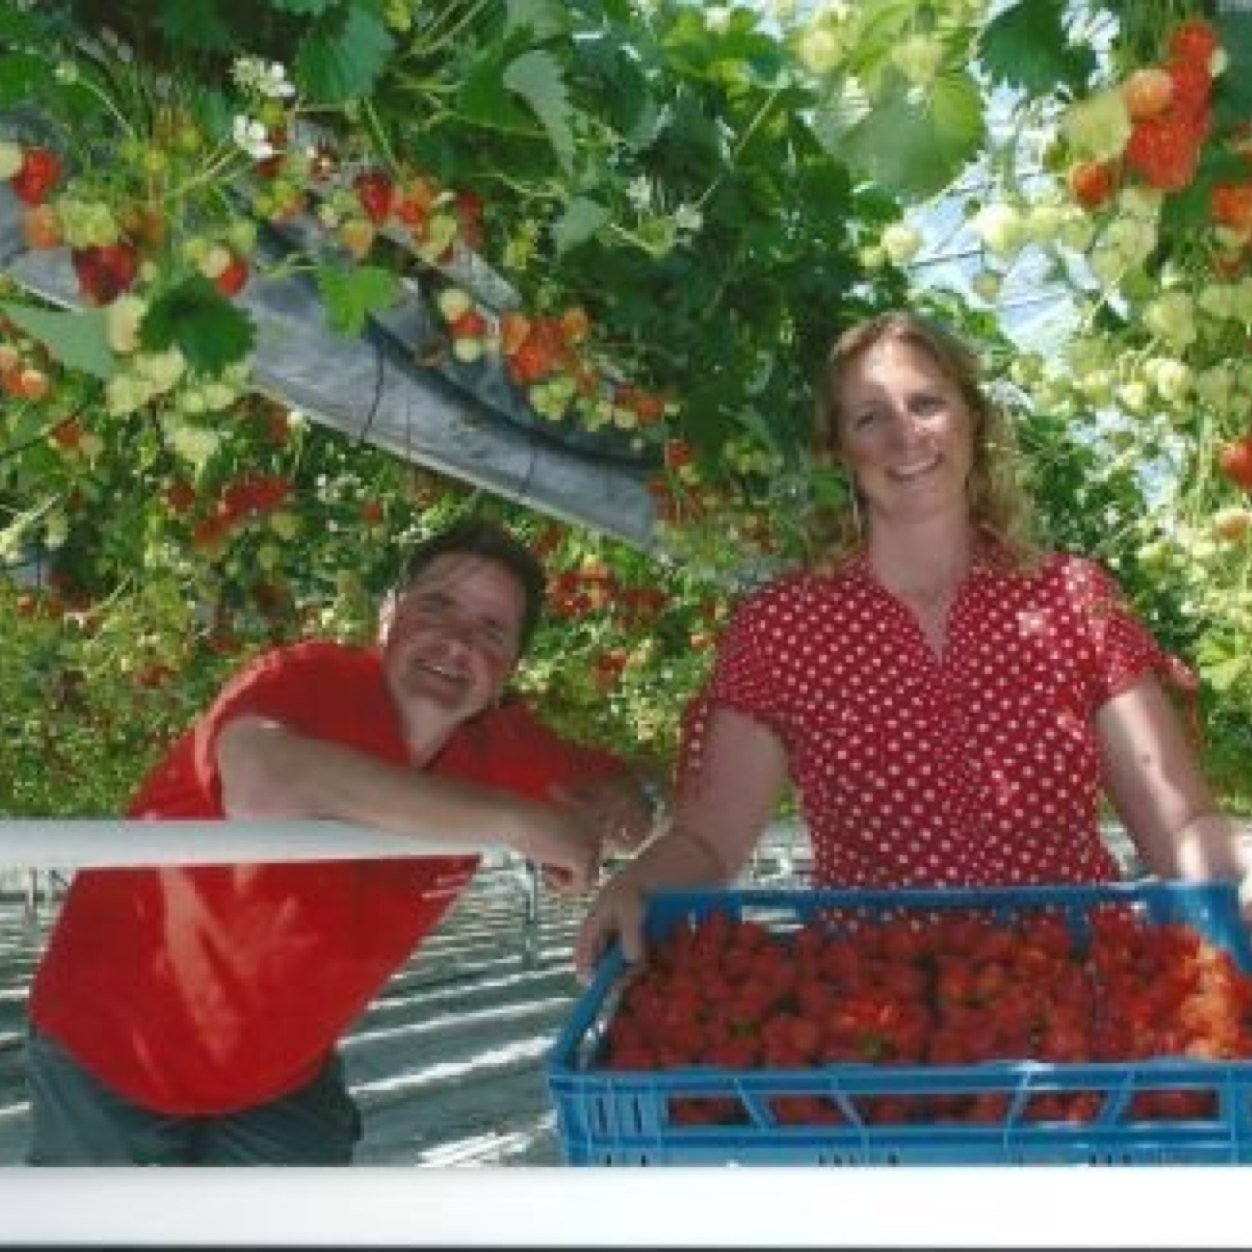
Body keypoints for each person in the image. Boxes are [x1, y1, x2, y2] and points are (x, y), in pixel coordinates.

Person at [575, 309, 1252, 982]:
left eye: (926, 403)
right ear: (839, 449)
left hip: (1074, 996)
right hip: (876, 1015)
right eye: (869, 417)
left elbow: (1181, 829)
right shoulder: (783, 627)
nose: (905, 436)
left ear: (974, 422)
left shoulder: (1074, 601)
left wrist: (1244, 857)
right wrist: (639, 881)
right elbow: (709, 839)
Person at [25, 517, 656, 1164]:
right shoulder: (305, 679)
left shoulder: (502, 747)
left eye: (490, 630)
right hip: (113, 1046)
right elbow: (263, 785)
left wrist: (627, 804)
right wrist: (514, 821)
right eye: (435, 606)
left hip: (277, 1073)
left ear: (509, 673)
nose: (455, 640)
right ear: (387, 617)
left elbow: (630, 796)